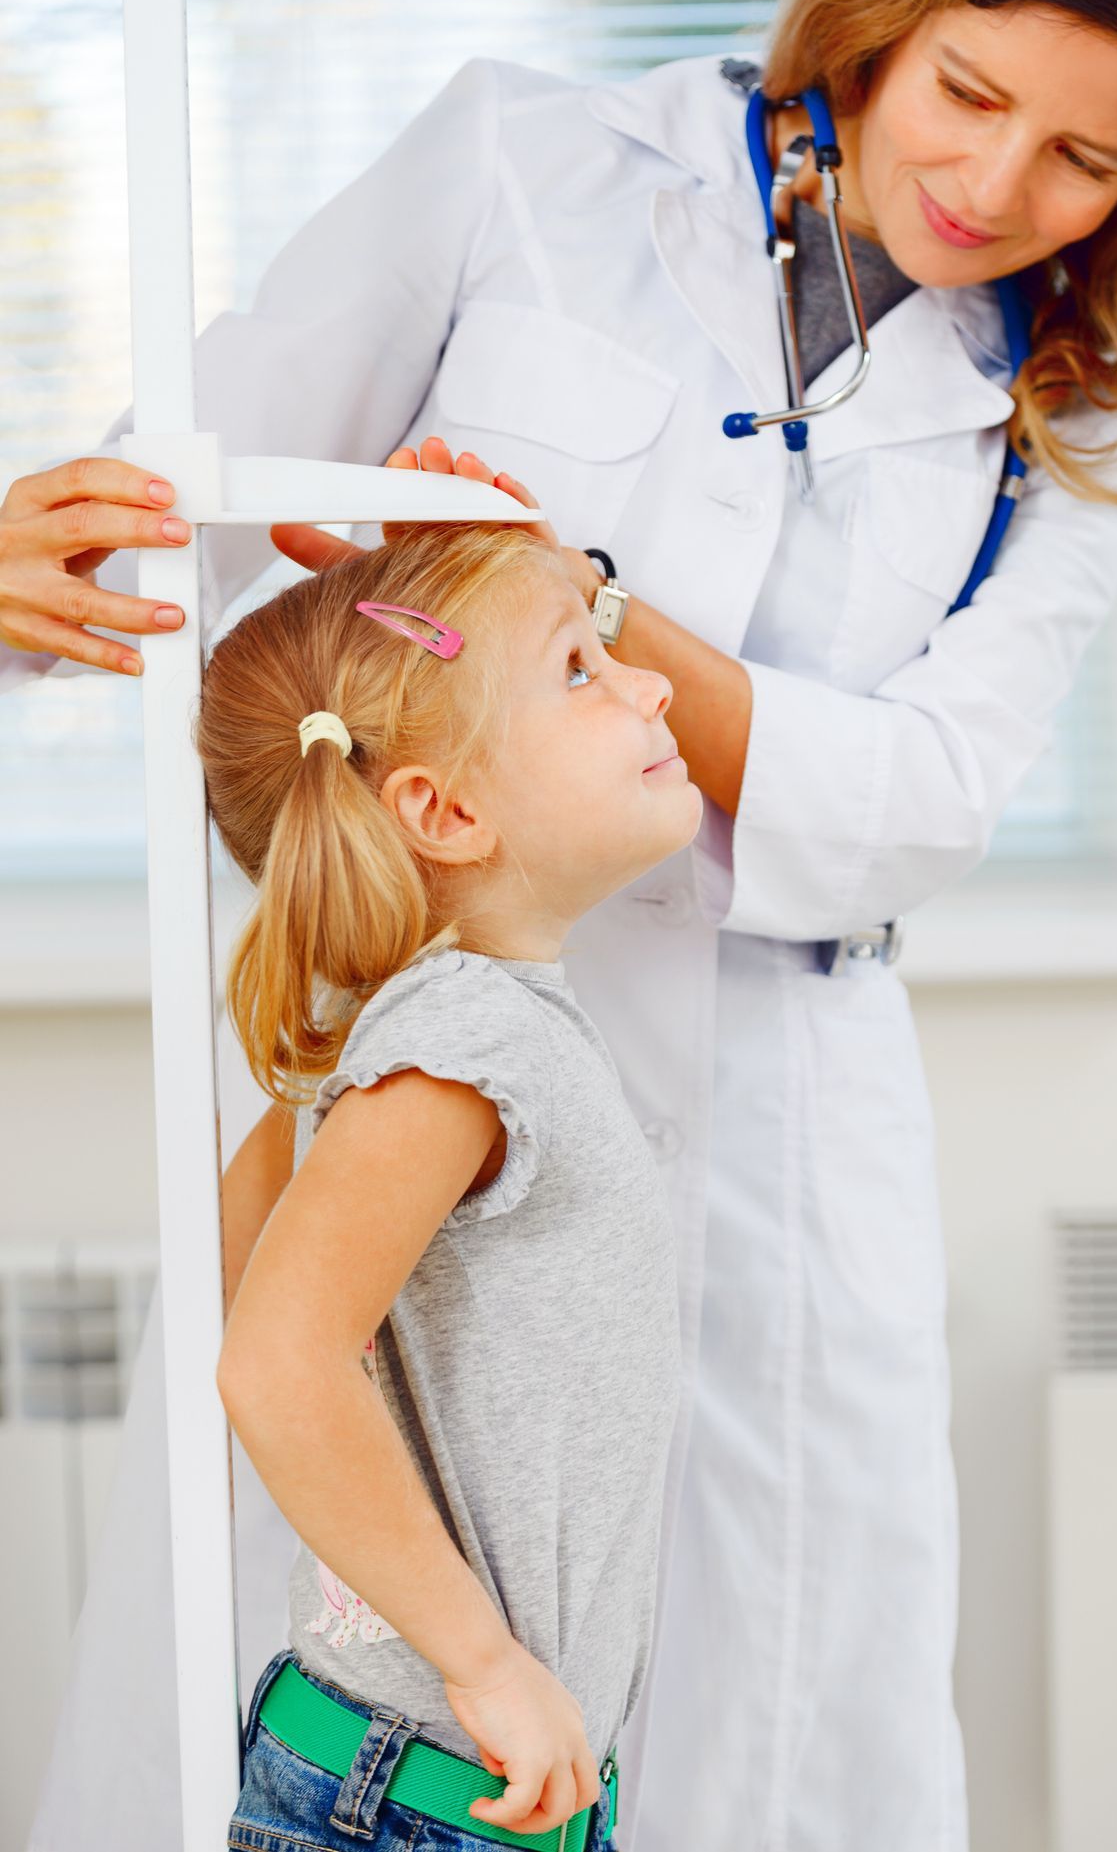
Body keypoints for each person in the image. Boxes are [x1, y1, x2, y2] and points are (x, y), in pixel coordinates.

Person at [5, 0, 1117, 1852]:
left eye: (1088, 155)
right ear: (878, 14)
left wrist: (587, 601)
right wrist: (31, 563)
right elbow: (205, 495)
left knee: (768, 1731)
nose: (991, 182)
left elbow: (916, 798)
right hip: (432, 1033)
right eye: (965, 93)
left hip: (774, 1146)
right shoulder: (524, 164)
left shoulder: (1070, 405)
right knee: (338, 1668)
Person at [204, 519, 701, 1851]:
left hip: (442, 1793)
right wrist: (483, 1662)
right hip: (423, 1796)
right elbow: (273, 1358)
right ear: (445, 810)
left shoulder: (442, 1027)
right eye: (582, 669)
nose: (648, 682)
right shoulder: (460, 1045)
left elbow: (249, 1261)